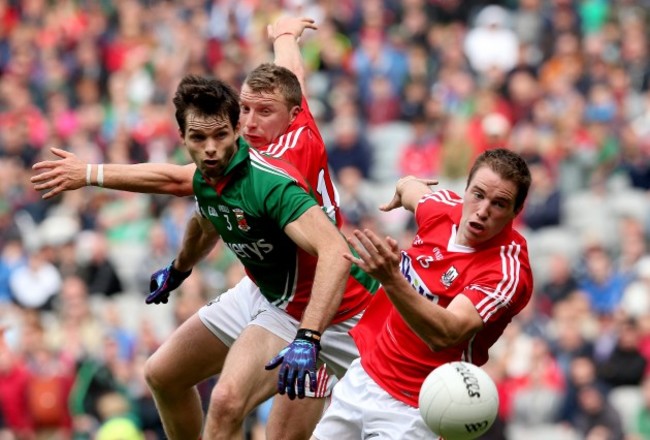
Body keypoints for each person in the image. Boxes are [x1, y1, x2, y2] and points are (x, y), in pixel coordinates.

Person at [32, 17, 369, 440]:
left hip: (322, 307)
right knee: (163, 373)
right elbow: (210, 211)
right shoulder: (254, 141)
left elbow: (178, 181)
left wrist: (90, 172)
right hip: (268, 289)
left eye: (262, 112)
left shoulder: (270, 172)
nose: (248, 122)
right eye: (244, 109)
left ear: (293, 112)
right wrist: (284, 34)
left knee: (242, 410)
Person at [311, 148, 534, 439]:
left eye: (499, 204)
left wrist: (392, 281)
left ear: (516, 212)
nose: (482, 210)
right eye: (478, 195)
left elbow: (446, 334)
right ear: (465, 190)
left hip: (419, 407)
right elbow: (409, 187)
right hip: (365, 375)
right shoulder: (441, 208)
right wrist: (404, 185)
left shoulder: (506, 271)